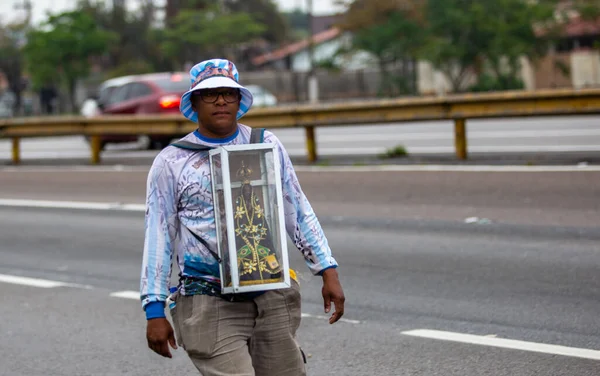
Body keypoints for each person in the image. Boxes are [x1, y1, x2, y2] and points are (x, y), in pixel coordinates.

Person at [140, 58, 345, 376]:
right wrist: (154, 308)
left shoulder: (265, 144)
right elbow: (158, 235)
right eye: (210, 94)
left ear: (239, 100)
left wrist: (327, 269)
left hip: (270, 293)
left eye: (228, 93)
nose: (221, 101)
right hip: (207, 300)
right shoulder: (172, 161)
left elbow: (296, 208)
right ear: (194, 102)